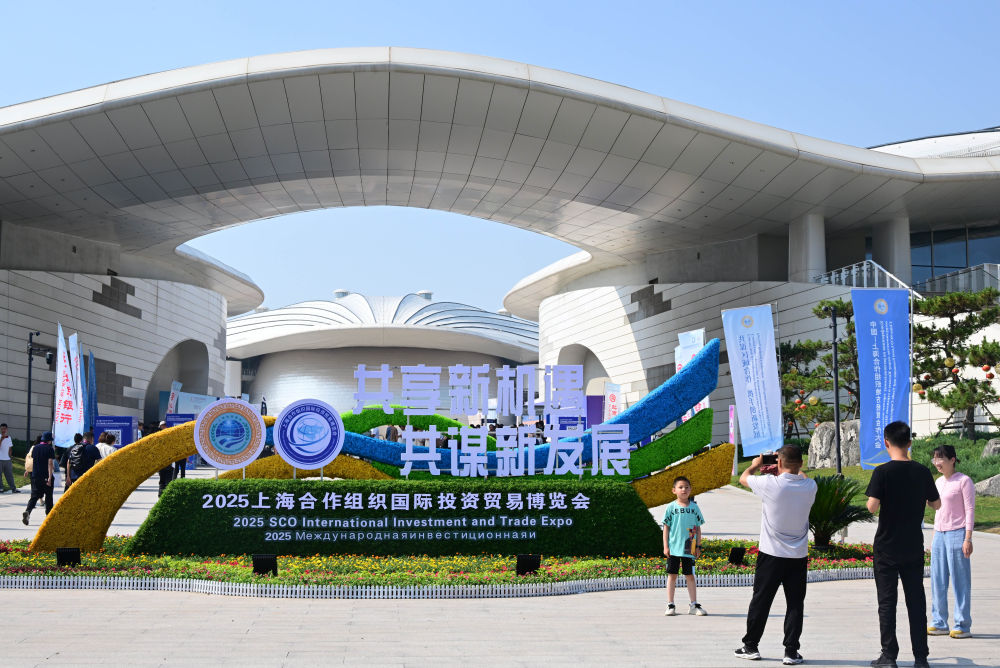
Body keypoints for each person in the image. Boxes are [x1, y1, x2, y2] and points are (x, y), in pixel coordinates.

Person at [866, 421, 940, 668]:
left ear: (886, 442)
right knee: (916, 601)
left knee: (887, 603)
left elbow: (871, 507)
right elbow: (936, 504)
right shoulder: (922, 471)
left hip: (887, 547)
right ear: (909, 442)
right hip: (912, 546)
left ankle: (889, 656)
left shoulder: (882, 472)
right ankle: (921, 657)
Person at [735, 445, 817, 665]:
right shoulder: (810, 486)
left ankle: (751, 646)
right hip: (797, 556)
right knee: (795, 604)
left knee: (761, 601)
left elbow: (743, 478)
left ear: (779, 462)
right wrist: (785, 468)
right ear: (801, 463)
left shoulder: (770, 484)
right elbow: (801, 476)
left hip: (771, 554)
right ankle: (791, 651)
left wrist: (756, 464)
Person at [927, 444, 975, 639]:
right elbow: (937, 509)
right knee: (937, 580)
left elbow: (970, 510)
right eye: (934, 459)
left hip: (958, 533)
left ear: (952, 460)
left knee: (960, 581)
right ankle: (939, 622)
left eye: (940, 459)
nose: (937, 463)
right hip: (939, 534)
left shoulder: (964, 481)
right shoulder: (938, 482)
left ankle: (962, 624)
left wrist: (968, 538)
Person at [662, 475, 706, 616]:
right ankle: (670, 604)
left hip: (690, 548)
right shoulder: (671, 507)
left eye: (687, 487)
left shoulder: (694, 508)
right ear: (674, 490)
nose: (684, 490)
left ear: (690, 490)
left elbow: (698, 528)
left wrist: (698, 546)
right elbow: (666, 528)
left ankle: (693, 605)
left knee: (690, 576)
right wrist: (666, 546)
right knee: (672, 575)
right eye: (680, 487)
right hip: (674, 548)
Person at [22, 431, 56, 524]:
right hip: (45, 476)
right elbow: (50, 463)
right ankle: (49, 517)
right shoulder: (50, 449)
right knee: (48, 496)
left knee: (34, 496)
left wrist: (28, 470)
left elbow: (33, 461)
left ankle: (28, 511)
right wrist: (50, 477)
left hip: (35, 476)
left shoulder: (35, 448)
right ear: (49, 440)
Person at [0, 422, 18, 493]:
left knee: (9, 475)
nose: (3, 430)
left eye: (4, 429)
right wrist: (1, 439)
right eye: (2, 429)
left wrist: (10, 457)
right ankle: (1, 488)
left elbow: (10, 448)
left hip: (7, 460)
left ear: (7, 429)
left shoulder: (9, 437)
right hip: (0, 459)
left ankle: (13, 488)